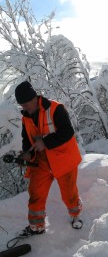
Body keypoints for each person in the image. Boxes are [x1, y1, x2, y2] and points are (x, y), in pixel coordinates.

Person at [14, 81, 83, 237]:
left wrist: (45, 142)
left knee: (69, 192)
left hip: (63, 158)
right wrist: (27, 154)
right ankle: (36, 226)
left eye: (25, 104)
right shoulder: (26, 117)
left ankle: (75, 215)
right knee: (35, 192)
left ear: (34, 99)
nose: (24, 108)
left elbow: (67, 132)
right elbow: (27, 139)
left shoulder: (55, 108)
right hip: (41, 161)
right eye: (21, 105)